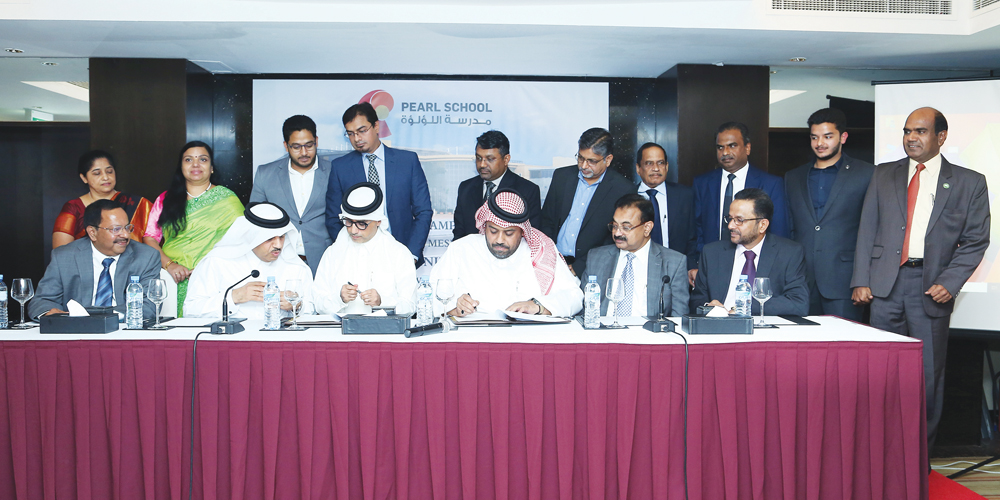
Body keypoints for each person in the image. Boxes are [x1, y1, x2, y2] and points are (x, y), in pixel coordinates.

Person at [851, 107, 990, 448]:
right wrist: (860, 279)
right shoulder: (883, 174)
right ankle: (880, 453)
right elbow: (867, 229)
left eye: (920, 131)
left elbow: (976, 240)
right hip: (885, 286)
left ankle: (917, 458)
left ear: (940, 137)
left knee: (928, 377)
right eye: (907, 131)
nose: (911, 138)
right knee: (880, 373)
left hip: (931, 288)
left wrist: (951, 282)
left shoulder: (969, 182)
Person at [432, 189, 583, 317]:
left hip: (526, 341)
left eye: (509, 233)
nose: (499, 240)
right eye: (493, 231)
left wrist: (538, 306)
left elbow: (575, 297)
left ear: (522, 231)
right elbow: (430, 296)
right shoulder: (461, 249)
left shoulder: (542, 251)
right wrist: (455, 307)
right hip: (475, 340)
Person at [785, 108, 874, 321]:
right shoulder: (793, 177)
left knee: (845, 350)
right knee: (804, 350)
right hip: (801, 282)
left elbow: (873, 229)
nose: (820, 143)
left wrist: (863, 280)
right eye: (814, 137)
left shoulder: (868, 174)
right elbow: (788, 229)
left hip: (845, 282)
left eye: (827, 136)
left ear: (843, 137)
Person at [143, 141, 244, 316]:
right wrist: (169, 265)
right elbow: (150, 237)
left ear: (211, 168)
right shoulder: (165, 199)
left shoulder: (227, 199)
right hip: (172, 277)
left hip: (213, 278)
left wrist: (210, 267)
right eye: (188, 160)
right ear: (181, 167)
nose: (196, 164)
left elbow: (242, 240)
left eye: (202, 159)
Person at [326, 102, 433, 266]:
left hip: (401, 255)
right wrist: (349, 252)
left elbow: (423, 211)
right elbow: (333, 218)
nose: (357, 139)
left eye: (362, 131)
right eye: (351, 134)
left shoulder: (407, 161)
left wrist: (410, 254)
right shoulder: (341, 167)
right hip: (357, 258)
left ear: (376, 126)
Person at [692, 122, 789, 284]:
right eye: (720, 147)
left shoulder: (771, 183)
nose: (725, 152)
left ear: (747, 148)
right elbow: (696, 229)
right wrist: (695, 264)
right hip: (712, 268)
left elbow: (779, 231)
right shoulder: (702, 183)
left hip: (754, 266)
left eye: (732, 146)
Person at [30, 199, 160, 319]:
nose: (125, 235)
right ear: (92, 233)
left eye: (127, 228)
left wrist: (100, 317)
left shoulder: (146, 256)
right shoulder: (64, 257)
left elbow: (150, 306)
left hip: (123, 330)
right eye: (116, 229)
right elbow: (41, 302)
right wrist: (51, 313)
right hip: (76, 332)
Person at [184, 202, 314, 320]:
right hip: (230, 342)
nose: (278, 245)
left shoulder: (296, 268)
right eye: (269, 239)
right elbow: (190, 310)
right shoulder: (217, 262)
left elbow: (312, 310)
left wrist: (296, 306)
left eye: (282, 237)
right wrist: (233, 297)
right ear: (252, 236)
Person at [691, 188, 808, 316]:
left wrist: (743, 309)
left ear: (762, 225)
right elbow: (696, 300)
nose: (730, 225)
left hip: (765, 330)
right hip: (720, 329)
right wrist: (708, 307)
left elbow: (798, 303)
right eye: (730, 218)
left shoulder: (789, 253)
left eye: (739, 220)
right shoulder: (712, 253)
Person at [538, 127, 634, 278]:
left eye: (592, 161)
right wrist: (549, 256)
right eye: (580, 158)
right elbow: (547, 220)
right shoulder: (562, 177)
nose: (583, 166)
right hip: (553, 262)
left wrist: (580, 266)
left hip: (592, 268)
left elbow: (614, 238)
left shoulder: (622, 189)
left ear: (607, 160)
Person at [313, 182, 417, 315]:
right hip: (340, 333)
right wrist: (339, 299)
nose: (353, 230)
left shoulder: (398, 253)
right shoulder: (333, 253)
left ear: (378, 221)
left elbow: (410, 306)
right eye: (349, 222)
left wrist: (382, 301)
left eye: (362, 223)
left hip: (385, 333)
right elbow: (317, 303)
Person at [250, 115, 333, 276]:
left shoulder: (333, 171)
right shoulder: (265, 174)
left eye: (309, 145)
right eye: (296, 147)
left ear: (316, 141)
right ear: (286, 146)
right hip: (278, 261)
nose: (303, 152)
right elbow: (255, 221)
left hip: (324, 260)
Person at [585, 194, 689, 317]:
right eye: (615, 225)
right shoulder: (596, 258)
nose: (617, 233)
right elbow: (584, 309)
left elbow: (679, 318)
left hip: (650, 334)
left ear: (647, 228)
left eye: (626, 227)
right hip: (603, 333)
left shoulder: (673, 263)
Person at [52, 150, 152, 248]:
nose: (105, 177)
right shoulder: (73, 208)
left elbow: (155, 242)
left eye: (109, 171)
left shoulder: (138, 204)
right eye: (97, 173)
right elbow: (61, 253)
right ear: (84, 178)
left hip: (135, 263)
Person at [453, 130, 541, 240]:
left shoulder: (527, 190)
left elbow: (531, 236)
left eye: (490, 159)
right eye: (479, 158)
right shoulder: (466, 188)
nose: (482, 164)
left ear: (506, 159)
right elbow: (459, 233)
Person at [634, 142, 698, 285]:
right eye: (649, 163)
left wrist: (691, 265)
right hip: (638, 273)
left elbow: (693, 236)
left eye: (660, 163)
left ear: (667, 166)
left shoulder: (685, 195)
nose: (656, 168)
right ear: (638, 168)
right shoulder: (627, 196)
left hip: (677, 273)